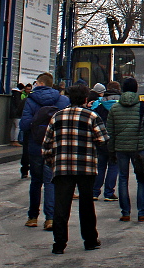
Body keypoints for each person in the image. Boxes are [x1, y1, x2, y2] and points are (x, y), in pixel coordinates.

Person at [42, 84, 108, 254]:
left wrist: (53, 162)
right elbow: (102, 140)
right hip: (86, 167)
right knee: (86, 206)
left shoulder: (57, 117)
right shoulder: (92, 116)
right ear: (86, 99)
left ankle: (59, 244)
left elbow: (46, 146)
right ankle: (90, 240)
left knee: (61, 206)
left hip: (62, 168)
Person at [19, 73, 70, 230]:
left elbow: (24, 124)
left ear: (40, 83)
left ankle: (33, 217)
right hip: (55, 145)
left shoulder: (30, 100)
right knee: (50, 181)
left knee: (36, 181)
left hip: (35, 144)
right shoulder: (63, 100)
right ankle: (50, 218)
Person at [106, 77, 144, 223]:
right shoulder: (142, 106)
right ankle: (142, 212)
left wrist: (111, 150)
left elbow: (110, 132)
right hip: (138, 147)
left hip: (120, 148)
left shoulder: (115, 108)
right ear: (136, 89)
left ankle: (125, 212)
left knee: (123, 178)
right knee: (141, 178)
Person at [91, 81, 120, 201]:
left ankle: (94, 192)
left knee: (100, 166)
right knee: (113, 166)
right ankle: (109, 193)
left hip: (101, 139)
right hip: (115, 140)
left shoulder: (98, 104)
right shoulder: (121, 104)